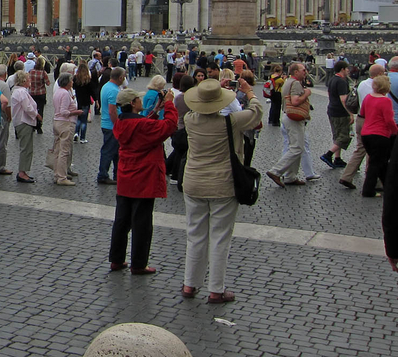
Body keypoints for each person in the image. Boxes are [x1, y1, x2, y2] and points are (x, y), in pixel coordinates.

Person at [180, 78, 263, 303]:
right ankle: (216, 289)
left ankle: (190, 284)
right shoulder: (231, 122)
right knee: (219, 238)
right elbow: (256, 112)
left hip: (194, 182)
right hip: (223, 183)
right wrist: (249, 92)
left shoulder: (189, 119)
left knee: (195, 235)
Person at [108, 87, 178, 274]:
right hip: (144, 177)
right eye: (137, 99)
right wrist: (169, 104)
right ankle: (139, 263)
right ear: (132, 103)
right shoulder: (142, 125)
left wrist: (156, 109)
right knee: (142, 223)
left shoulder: (120, 124)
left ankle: (116, 259)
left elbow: (143, 125)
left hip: (125, 176)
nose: (140, 100)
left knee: (122, 221)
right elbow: (168, 126)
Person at [340, 63, 386, 190]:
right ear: (380, 74)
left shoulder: (362, 84)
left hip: (361, 118)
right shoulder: (378, 87)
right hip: (372, 120)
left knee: (360, 149)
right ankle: (373, 181)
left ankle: (347, 176)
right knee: (374, 151)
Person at [266, 63, 312, 188]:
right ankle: (276, 171)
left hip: (287, 116)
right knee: (297, 148)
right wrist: (307, 93)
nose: (305, 72)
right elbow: (295, 101)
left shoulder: (287, 81)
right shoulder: (296, 83)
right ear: (296, 72)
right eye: (303, 70)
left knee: (296, 147)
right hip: (294, 118)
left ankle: (291, 177)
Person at [358, 75, 397, 198]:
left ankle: (389, 186)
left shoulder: (368, 98)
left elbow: (363, 113)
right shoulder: (385, 101)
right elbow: (389, 120)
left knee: (381, 162)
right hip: (380, 135)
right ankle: (368, 189)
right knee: (376, 163)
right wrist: (395, 131)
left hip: (366, 133)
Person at [9, 71, 41, 183]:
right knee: (26, 148)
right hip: (24, 122)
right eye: (28, 79)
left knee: (27, 148)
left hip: (21, 121)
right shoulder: (21, 92)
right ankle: (22, 172)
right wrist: (36, 115)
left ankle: (24, 171)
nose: (30, 81)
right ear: (23, 81)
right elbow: (27, 107)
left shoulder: (19, 91)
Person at [321, 61, 354, 169]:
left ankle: (338, 158)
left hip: (332, 110)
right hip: (340, 112)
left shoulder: (332, 79)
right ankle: (328, 155)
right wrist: (351, 114)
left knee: (337, 135)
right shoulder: (341, 82)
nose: (348, 70)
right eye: (347, 68)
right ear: (342, 69)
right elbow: (344, 100)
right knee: (344, 136)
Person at [51, 72, 82, 185]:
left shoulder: (58, 92)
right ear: (67, 82)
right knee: (64, 151)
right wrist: (76, 112)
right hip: (65, 123)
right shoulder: (64, 93)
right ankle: (62, 177)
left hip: (57, 122)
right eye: (71, 80)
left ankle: (57, 174)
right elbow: (64, 112)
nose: (73, 82)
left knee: (57, 150)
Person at [97, 67, 126, 185]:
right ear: (120, 77)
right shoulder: (114, 91)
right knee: (109, 151)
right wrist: (118, 125)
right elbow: (112, 110)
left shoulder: (106, 86)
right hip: (111, 125)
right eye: (124, 76)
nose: (124, 78)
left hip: (106, 123)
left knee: (115, 152)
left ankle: (116, 174)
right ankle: (103, 175)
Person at [28, 57, 51, 134]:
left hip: (32, 93)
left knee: (32, 109)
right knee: (40, 109)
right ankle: (39, 126)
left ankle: (32, 125)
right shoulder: (43, 73)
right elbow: (48, 83)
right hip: (41, 93)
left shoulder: (31, 72)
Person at [72, 63, 93, 143]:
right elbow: (91, 91)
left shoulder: (75, 79)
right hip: (86, 101)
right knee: (84, 120)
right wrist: (95, 100)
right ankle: (82, 138)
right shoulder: (88, 80)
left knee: (78, 119)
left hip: (78, 100)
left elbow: (73, 88)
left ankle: (76, 133)